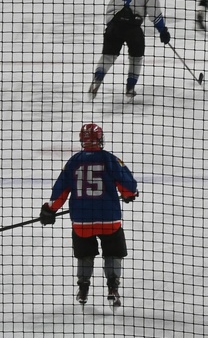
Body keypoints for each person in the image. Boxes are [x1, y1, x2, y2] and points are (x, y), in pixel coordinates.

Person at [38, 123, 138, 308]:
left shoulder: (74, 161)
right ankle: (113, 287)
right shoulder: (110, 159)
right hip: (110, 219)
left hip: (82, 222)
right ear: (99, 138)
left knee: (84, 254)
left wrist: (49, 210)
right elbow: (128, 186)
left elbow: (60, 190)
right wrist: (128, 195)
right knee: (113, 252)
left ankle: (83, 288)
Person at [88, 0, 170, 99]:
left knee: (108, 56)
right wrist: (163, 31)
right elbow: (155, 16)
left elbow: (109, 10)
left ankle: (97, 78)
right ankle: (130, 88)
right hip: (133, 30)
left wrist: (111, 26)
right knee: (136, 58)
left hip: (114, 27)